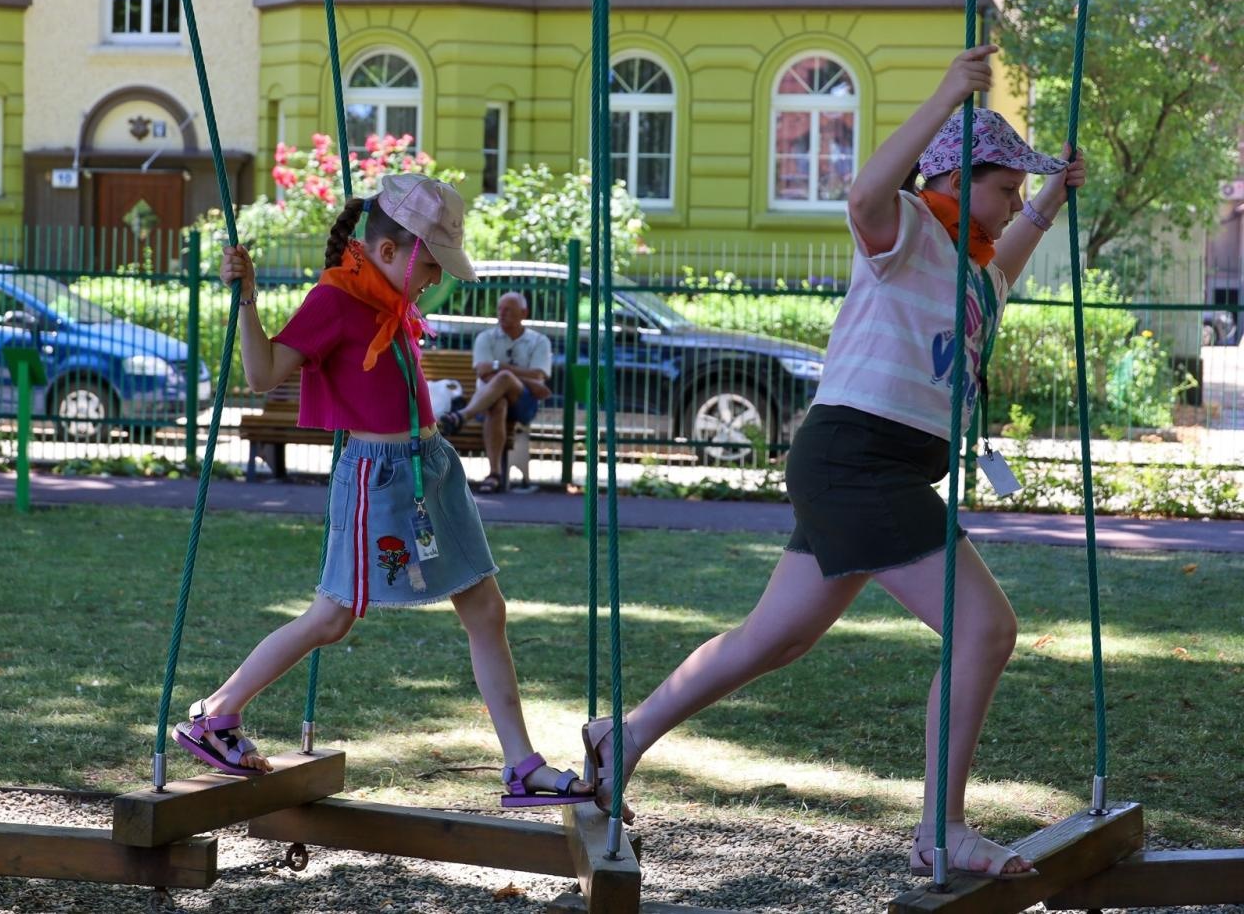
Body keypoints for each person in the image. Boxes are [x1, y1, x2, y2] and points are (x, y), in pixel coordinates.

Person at [579, 46, 1086, 880]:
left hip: (866, 466)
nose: (1012, 206)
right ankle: (941, 829)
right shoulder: (906, 231)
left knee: (772, 640)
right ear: (955, 179)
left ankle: (621, 737)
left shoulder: (975, 272)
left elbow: (1017, 242)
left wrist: (1052, 196)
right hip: (860, 459)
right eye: (1005, 188)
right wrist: (945, 95)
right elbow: (863, 194)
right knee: (985, 628)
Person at [180, 173, 592, 809]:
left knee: (487, 610)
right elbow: (262, 375)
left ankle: (521, 766)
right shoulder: (336, 300)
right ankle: (215, 713)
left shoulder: (389, 299)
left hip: (432, 467)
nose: (437, 277)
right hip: (379, 477)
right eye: (431, 264)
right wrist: (248, 299)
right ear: (390, 250)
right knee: (332, 617)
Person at [438, 291, 552, 493]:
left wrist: (499, 368)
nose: (501, 313)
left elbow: (538, 375)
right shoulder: (485, 338)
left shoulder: (539, 341)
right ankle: (494, 474)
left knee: (504, 378)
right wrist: (524, 379)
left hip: (524, 404)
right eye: (500, 309)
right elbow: (484, 374)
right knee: (498, 403)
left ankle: (462, 416)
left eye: (508, 309)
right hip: (487, 404)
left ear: (523, 313)